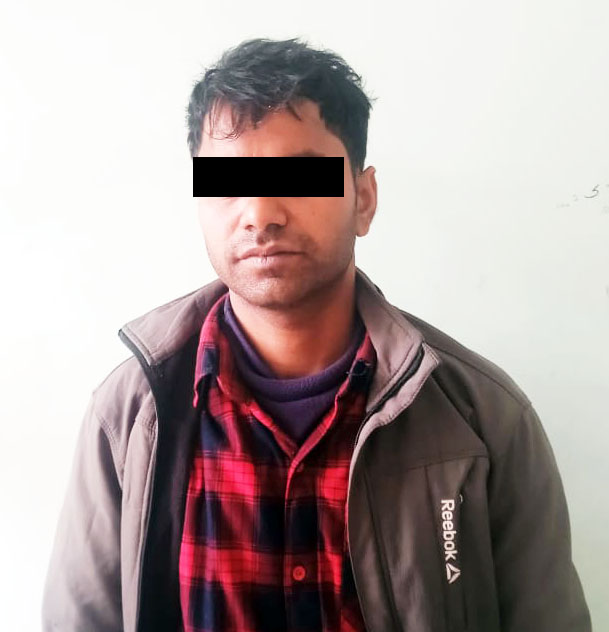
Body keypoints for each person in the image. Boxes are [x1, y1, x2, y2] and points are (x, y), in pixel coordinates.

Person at [42, 37, 592, 632]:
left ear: (364, 199)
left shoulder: (483, 420)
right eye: (226, 182)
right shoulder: (130, 416)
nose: (260, 213)